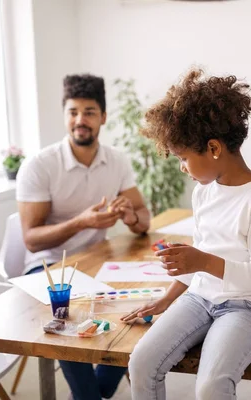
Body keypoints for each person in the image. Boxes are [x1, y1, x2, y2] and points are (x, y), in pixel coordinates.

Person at [121, 69, 251, 400]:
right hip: (199, 298)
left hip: (247, 308)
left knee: (210, 386)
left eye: (183, 158)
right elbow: (204, 255)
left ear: (213, 148)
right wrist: (168, 297)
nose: (182, 167)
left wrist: (204, 261)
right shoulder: (204, 192)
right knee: (141, 361)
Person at [16, 74, 150, 400]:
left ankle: (100, 386)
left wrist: (132, 217)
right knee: (66, 316)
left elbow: (144, 219)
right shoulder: (40, 165)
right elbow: (31, 240)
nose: (80, 120)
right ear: (65, 115)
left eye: (89, 112)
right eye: (73, 112)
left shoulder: (116, 160)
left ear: (103, 117)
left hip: (96, 263)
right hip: (47, 269)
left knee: (143, 307)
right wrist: (81, 222)